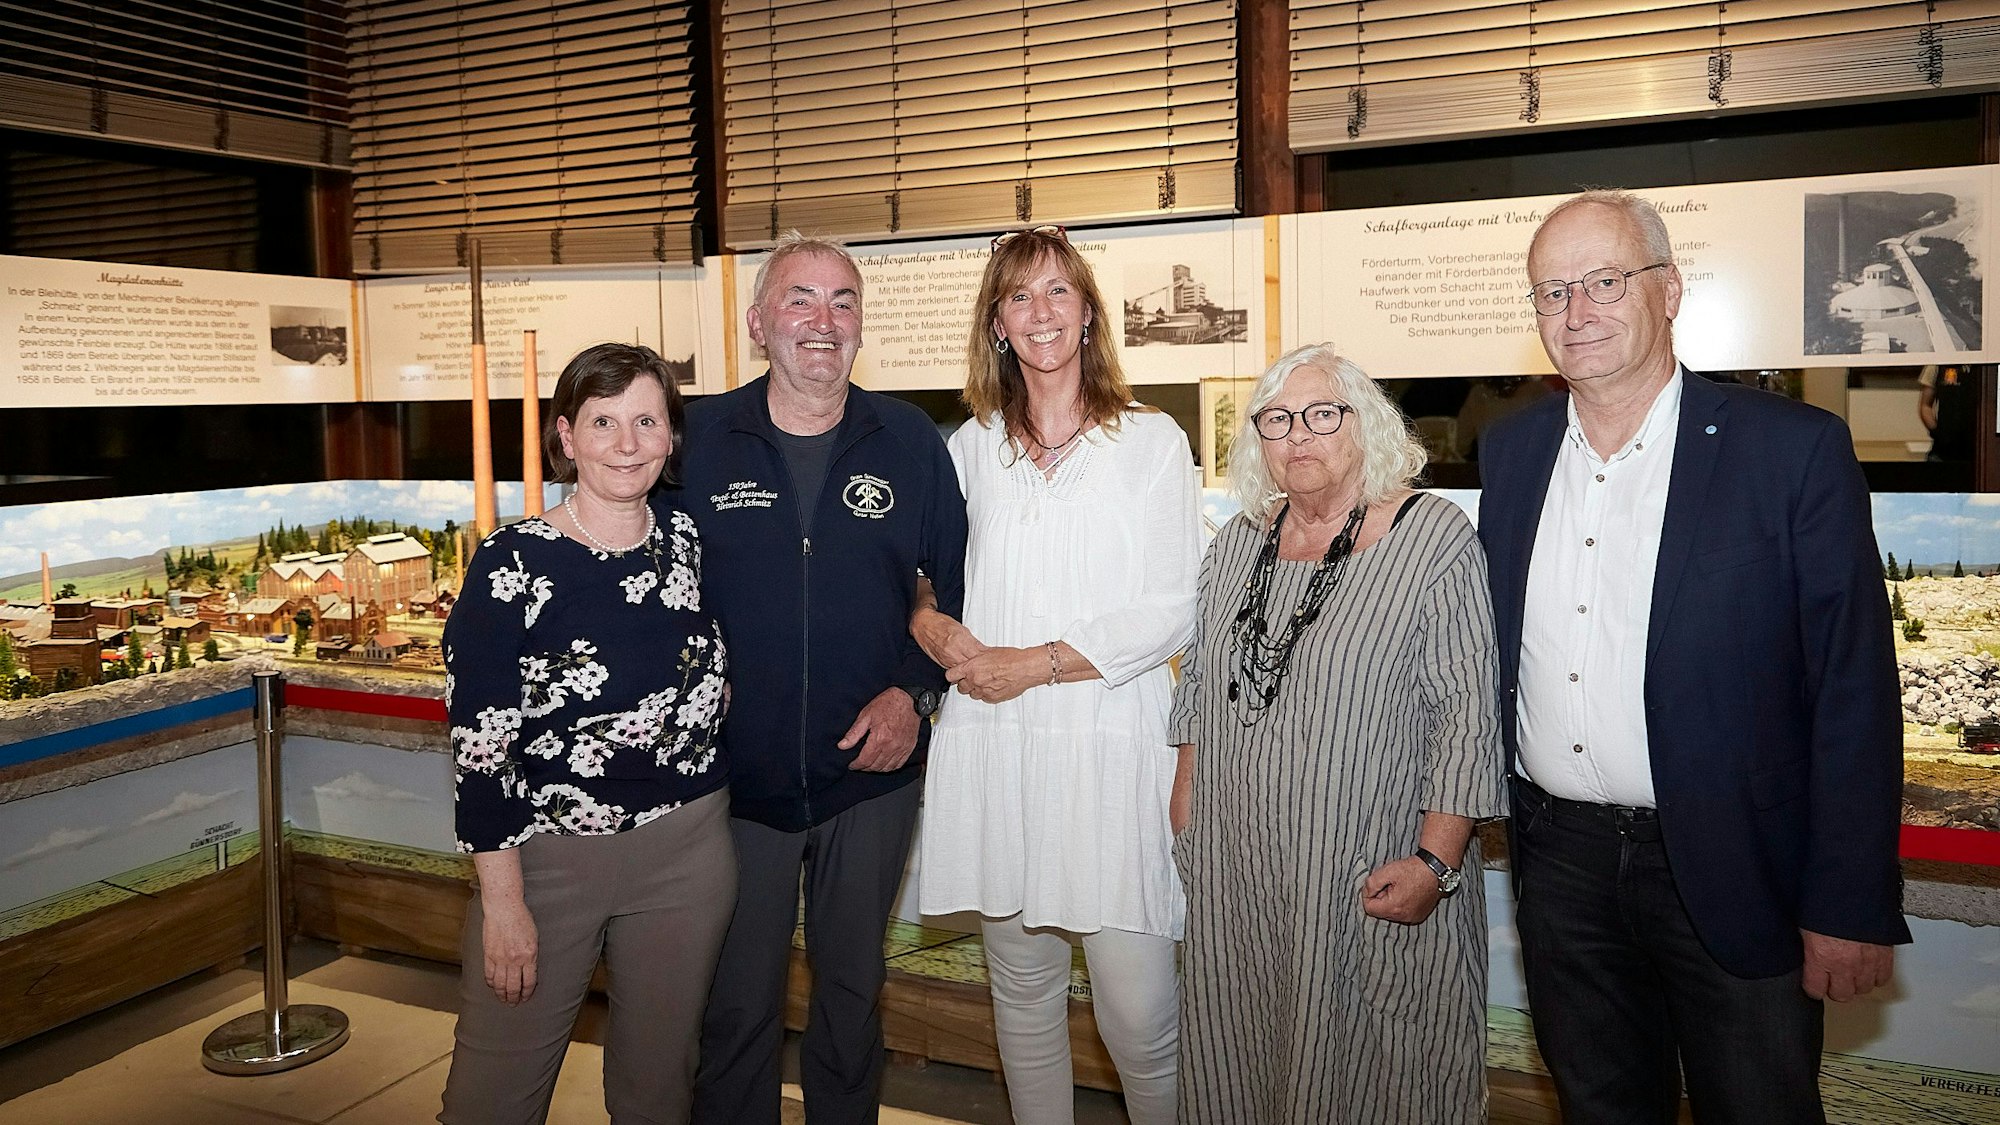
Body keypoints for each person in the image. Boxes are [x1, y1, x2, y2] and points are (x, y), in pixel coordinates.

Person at [1479, 189, 1909, 1124]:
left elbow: (1852, 689)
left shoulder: (1789, 451)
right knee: (1600, 1107)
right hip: (1564, 868)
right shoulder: (1509, 454)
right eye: (1551, 292)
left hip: (1733, 862)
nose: (1575, 312)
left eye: (1603, 281)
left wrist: (1849, 899)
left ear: (1668, 288)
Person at [1169, 343, 1504, 1124]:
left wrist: (1437, 859)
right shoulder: (1236, 544)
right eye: (1278, 420)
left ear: (1368, 422)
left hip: (1369, 871)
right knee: (1238, 1062)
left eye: (1323, 414)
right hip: (1239, 878)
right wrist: (1187, 820)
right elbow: (1200, 700)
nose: (1300, 435)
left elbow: (1466, 711)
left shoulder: (1433, 537)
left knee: (1380, 1074)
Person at [911, 225, 1200, 1125]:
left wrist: (1030, 664)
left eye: (1058, 294)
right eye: (1019, 297)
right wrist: (928, 621)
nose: (1040, 314)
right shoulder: (969, 449)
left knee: (1141, 1019)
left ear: (1087, 315)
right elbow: (922, 574)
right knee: (1023, 1005)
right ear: (997, 322)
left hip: (1110, 750)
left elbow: (1173, 606)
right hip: (997, 750)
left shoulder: (1150, 443)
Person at [682, 232, 969, 1125]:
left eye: (842, 301)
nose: (822, 320)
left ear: (860, 326)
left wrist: (916, 694)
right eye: (800, 299)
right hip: (736, 780)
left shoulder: (912, 441)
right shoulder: (696, 441)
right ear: (758, 321)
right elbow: (645, 583)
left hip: (870, 778)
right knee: (736, 1003)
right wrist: (692, 676)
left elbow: (956, 593)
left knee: (852, 995)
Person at [438, 342, 734, 1125]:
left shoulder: (688, 541)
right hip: (546, 865)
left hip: (689, 853)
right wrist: (503, 903)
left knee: (658, 1090)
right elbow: (481, 747)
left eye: (646, 419)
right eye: (604, 421)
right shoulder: (512, 564)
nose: (627, 442)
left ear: (672, 435)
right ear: (567, 437)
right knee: (491, 1098)